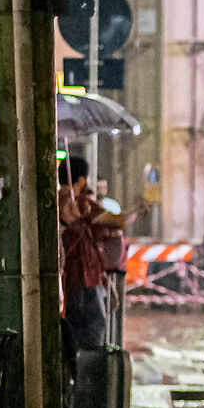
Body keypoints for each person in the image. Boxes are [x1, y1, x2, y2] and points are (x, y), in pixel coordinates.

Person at [59, 157, 123, 381]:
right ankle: (84, 384)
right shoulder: (72, 201)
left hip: (83, 280)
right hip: (82, 281)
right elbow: (109, 222)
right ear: (82, 179)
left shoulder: (71, 200)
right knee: (92, 331)